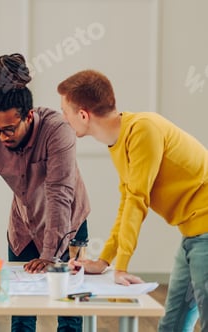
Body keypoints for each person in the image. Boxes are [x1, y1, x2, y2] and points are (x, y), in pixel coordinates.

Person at [57, 69, 208, 331]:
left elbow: (138, 201)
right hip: (193, 237)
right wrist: (104, 261)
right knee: (171, 325)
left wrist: (121, 267)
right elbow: (128, 201)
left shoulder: (143, 130)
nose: (63, 118)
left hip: (204, 235)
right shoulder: (120, 141)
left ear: (83, 115)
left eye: (65, 111)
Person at [0, 53, 91, 332]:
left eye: (9, 129)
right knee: (21, 310)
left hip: (68, 224)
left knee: (68, 306)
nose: (2, 136)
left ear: (29, 116)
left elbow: (60, 194)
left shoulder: (58, 130)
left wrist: (49, 256)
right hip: (24, 227)